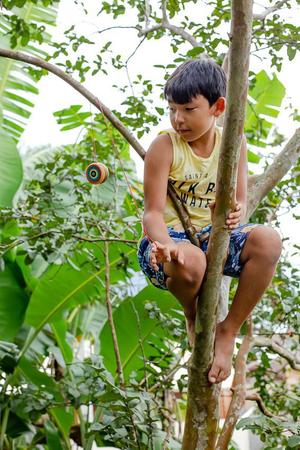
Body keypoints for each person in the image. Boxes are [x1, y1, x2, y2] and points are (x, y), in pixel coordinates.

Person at [137, 57, 282, 384]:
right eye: (172, 109)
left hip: (213, 236)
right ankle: (193, 315)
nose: (178, 119)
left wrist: (234, 211)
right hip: (167, 244)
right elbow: (152, 213)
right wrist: (167, 245)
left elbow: (241, 201)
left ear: (217, 107)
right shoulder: (165, 146)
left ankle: (228, 330)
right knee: (193, 260)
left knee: (269, 241)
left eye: (188, 109)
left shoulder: (234, 142)